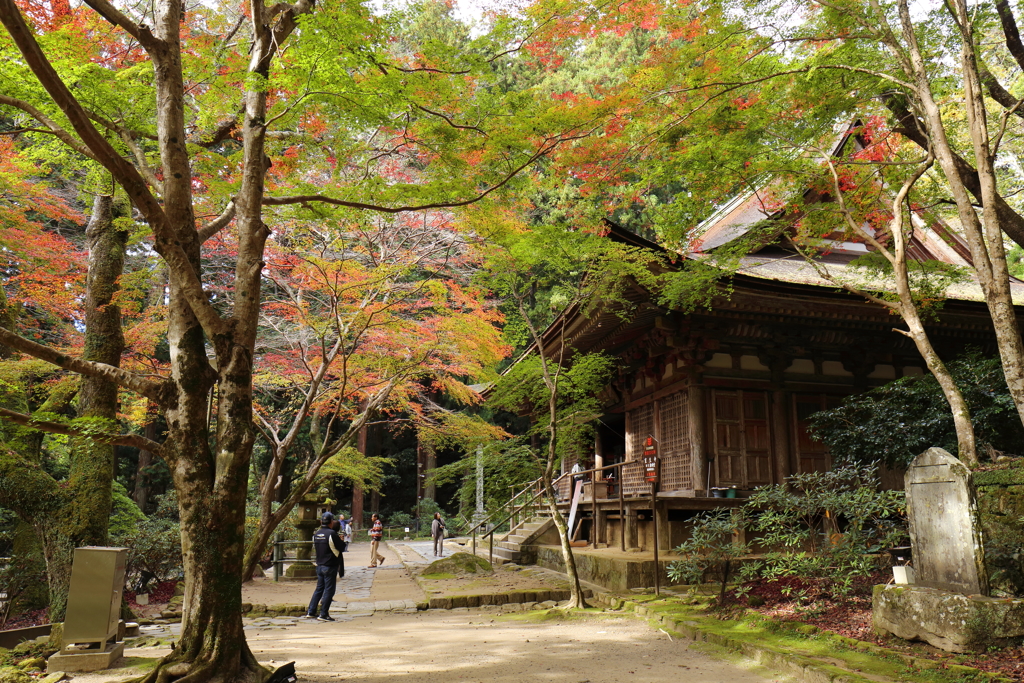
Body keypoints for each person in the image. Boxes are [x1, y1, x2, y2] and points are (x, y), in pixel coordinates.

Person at [305, 512, 343, 622]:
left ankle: (311, 611)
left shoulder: (316, 534)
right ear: (331, 522)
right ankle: (323, 613)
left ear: (321, 521)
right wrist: (341, 540)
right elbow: (341, 547)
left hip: (319, 565)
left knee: (319, 589)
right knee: (329, 590)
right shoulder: (331, 534)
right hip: (330, 565)